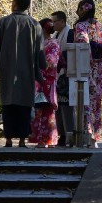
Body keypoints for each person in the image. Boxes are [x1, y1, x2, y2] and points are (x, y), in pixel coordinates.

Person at [0, 0, 44, 148]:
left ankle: (8, 139)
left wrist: (1, 59)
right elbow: (40, 49)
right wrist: (40, 67)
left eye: (13, 1)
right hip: (28, 70)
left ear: (16, 3)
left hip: (7, 70)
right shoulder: (34, 24)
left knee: (8, 103)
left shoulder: (3, 22)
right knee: (25, 104)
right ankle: (23, 140)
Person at [72, 0, 102, 144]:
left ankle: (87, 135)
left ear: (82, 10)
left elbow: (82, 43)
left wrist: (87, 62)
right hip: (100, 67)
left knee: (85, 102)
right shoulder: (100, 26)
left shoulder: (80, 27)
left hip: (86, 67)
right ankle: (95, 137)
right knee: (97, 103)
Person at [30, 17, 62, 148]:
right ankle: (42, 139)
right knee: (39, 109)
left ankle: (46, 139)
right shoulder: (43, 43)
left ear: (43, 28)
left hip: (47, 80)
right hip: (40, 79)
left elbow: (52, 62)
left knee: (46, 110)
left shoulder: (52, 43)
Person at [50, 8, 74, 145]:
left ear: (63, 21)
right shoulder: (56, 36)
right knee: (58, 106)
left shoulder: (70, 34)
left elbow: (71, 54)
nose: (53, 25)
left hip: (66, 75)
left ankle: (68, 134)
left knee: (66, 106)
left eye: (55, 22)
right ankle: (61, 135)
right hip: (57, 75)